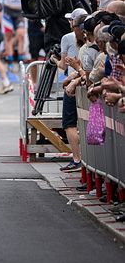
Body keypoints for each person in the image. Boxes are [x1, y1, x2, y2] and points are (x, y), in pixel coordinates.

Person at [56, 9, 88, 172]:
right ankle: (87, 160)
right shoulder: (89, 44)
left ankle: (77, 158)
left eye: (71, 21)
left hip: (73, 85)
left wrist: (54, 60)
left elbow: (63, 65)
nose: (70, 24)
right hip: (83, 83)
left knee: (69, 123)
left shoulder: (67, 38)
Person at [0, 0, 27, 65]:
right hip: (8, 12)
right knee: (8, 36)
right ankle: (10, 58)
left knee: (21, 34)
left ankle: (20, 58)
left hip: (19, 12)